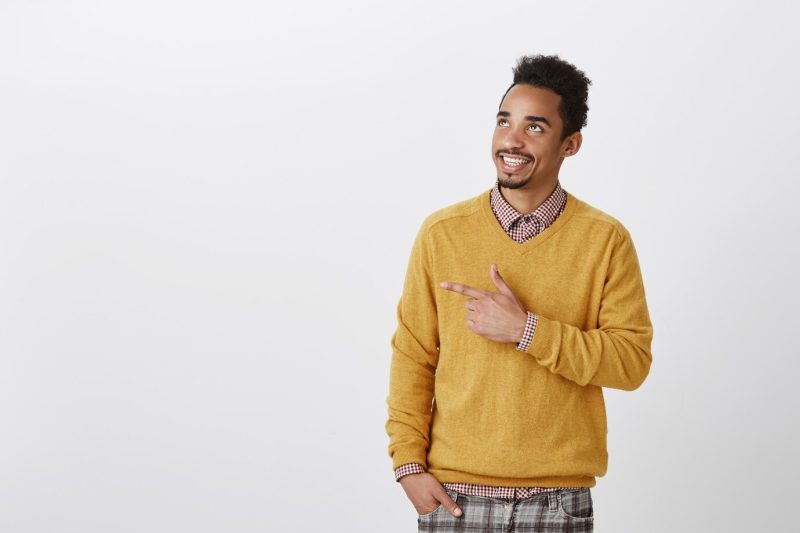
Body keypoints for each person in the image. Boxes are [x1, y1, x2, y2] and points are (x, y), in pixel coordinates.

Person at [384, 54, 654, 532]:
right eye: (504, 122)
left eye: (535, 127)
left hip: (556, 499)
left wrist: (526, 330)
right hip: (453, 496)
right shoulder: (442, 233)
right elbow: (413, 355)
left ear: (570, 144)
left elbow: (631, 362)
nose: (511, 139)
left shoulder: (605, 240)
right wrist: (408, 465)